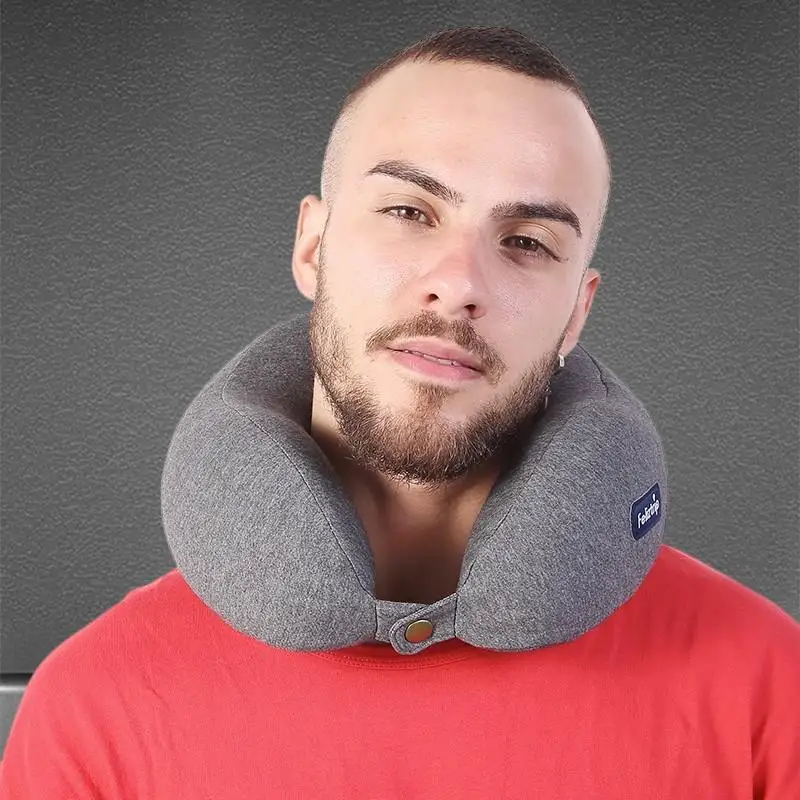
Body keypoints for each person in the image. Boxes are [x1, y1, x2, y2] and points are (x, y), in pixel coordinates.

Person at [1, 25, 798, 800]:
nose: (459, 284)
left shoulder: (769, 690)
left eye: (527, 242)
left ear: (576, 315)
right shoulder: (93, 714)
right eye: (409, 212)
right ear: (312, 247)